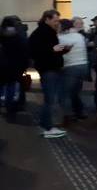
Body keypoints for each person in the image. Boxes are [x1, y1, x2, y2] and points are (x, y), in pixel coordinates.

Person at [29, 10, 67, 138]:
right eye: (55, 20)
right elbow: (34, 51)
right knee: (50, 99)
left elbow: (51, 51)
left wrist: (63, 50)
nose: (57, 23)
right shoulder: (41, 32)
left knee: (50, 99)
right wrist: (52, 49)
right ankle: (46, 127)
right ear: (47, 19)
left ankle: (47, 125)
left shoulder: (48, 32)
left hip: (52, 68)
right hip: (48, 70)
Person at [58, 19, 89, 122]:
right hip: (83, 66)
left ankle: (68, 115)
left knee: (65, 93)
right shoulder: (79, 36)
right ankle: (80, 111)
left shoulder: (60, 38)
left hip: (70, 67)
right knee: (75, 92)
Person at [0, 16, 29, 122]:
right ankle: (9, 109)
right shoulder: (19, 36)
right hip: (14, 67)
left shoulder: (1, 34)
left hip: (1, 66)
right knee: (11, 88)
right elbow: (25, 51)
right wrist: (24, 66)